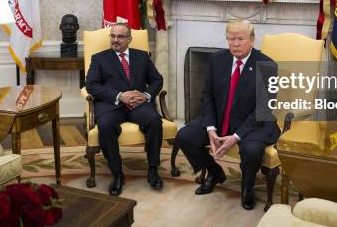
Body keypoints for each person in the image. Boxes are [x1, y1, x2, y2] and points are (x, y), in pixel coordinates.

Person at [175, 20, 279, 210]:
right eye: (231, 39)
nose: (235, 44)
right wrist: (211, 128)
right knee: (185, 136)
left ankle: (247, 188)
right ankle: (215, 173)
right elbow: (207, 95)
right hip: (222, 118)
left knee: (252, 151)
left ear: (252, 40)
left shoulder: (267, 65)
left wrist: (236, 137)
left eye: (240, 39)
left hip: (254, 123)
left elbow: (263, 108)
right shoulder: (217, 59)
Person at [85, 23, 164, 196]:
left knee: (154, 120)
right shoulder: (99, 58)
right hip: (111, 105)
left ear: (129, 39)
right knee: (105, 126)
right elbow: (91, 85)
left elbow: (157, 80)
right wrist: (119, 95)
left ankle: (153, 169)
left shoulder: (142, 57)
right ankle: (117, 174)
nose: (115, 40)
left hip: (138, 103)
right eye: (112, 36)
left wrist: (146, 96)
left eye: (120, 37)